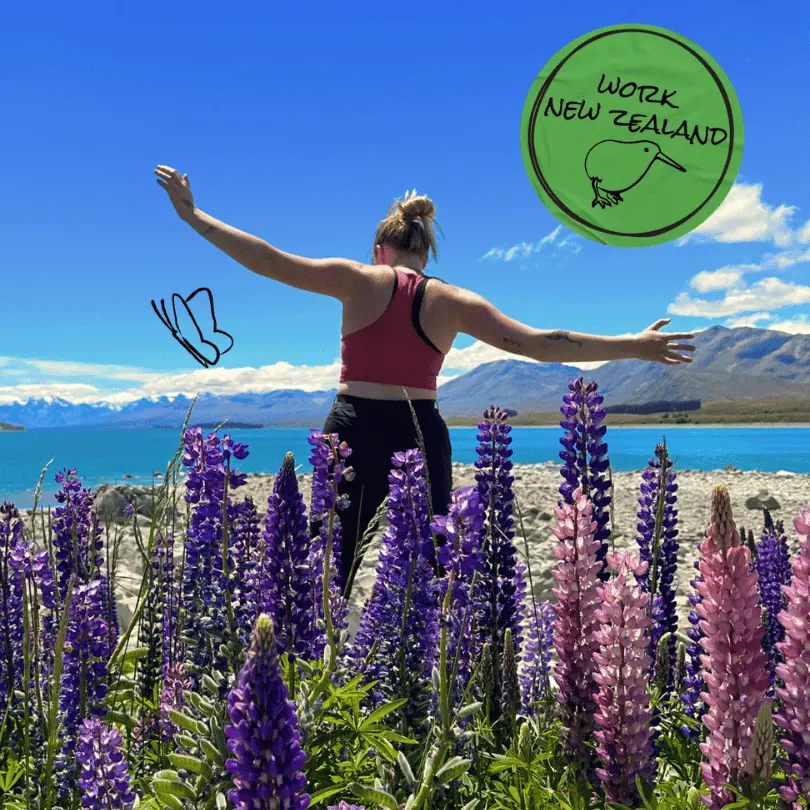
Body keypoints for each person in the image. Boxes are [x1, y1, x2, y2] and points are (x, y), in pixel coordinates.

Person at [155, 166, 695, 595]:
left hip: (353, 426)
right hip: (421, 429)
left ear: (379, 249)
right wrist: (634, 346)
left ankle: (316, 678)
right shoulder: (454, 301)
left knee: (329, 566)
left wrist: (192, 216)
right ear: (425, 252)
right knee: (440, 565)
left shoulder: (357, 278)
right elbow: (539, 343)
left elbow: (267, 260)